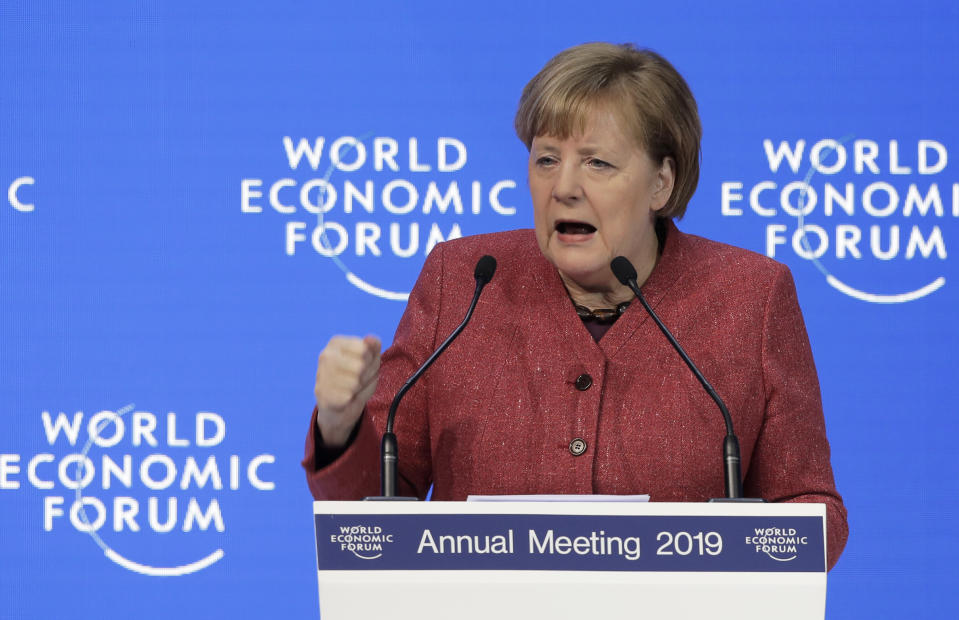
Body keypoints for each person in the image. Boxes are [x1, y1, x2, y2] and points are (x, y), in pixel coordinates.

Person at [303, 42, 848, 569]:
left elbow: (810, 511)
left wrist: (717, 554)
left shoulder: (750, 295)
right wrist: (340, 426)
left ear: (662, 182)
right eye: (546, 159)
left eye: (597, 164)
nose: (562, 186)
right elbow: (372, 518)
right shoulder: (463, 280)